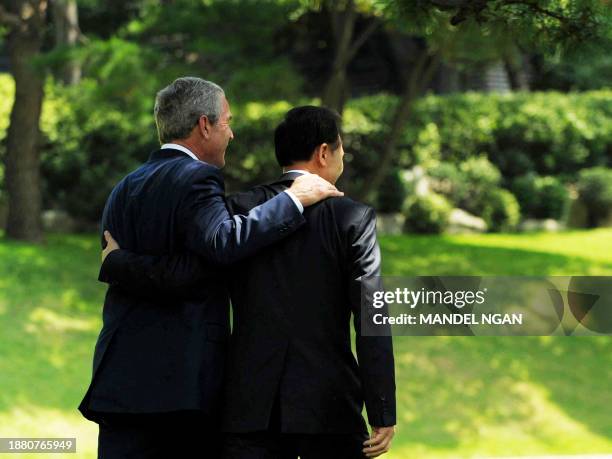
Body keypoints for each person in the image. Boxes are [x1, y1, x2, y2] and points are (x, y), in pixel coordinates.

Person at [100, 106, 396, 458]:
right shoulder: (352, 217)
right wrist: (382, 409)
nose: (343, 157)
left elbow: (185, 274)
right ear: (323, 153)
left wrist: (119, 262)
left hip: (247, 412)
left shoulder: (237, 212)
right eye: (341, 149)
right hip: (329, 409)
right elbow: (372, 314)